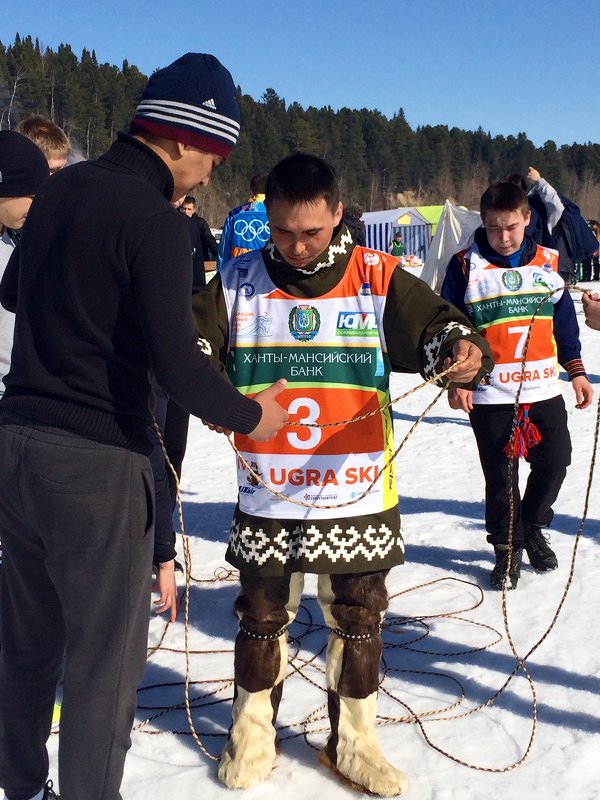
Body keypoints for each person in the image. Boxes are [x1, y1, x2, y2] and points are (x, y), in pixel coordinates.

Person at [0, 53, 288, 800]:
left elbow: (12, 291)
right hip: (94, 465)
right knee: (102, 666)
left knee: (28, 646)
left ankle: (21, 785)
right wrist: (255, 415)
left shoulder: (59, 193)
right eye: (213, 159)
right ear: (187, 141)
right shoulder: (156, 224)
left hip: (16, 444)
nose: (208, 176)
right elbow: (178, 366)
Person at [191, 152, 492, 796]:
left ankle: (354, 743)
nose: (298, 247)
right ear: (265, 218)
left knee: (358, 618)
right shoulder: (238, 280)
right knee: (262, 616)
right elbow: (191, 345)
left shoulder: (376, 276)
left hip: (354, 486)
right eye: (283, 232)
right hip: (269, 489)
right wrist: (215, 392)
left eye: (312, 232)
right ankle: (251, 734)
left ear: (337, 213)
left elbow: (440, 327)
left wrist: (460, 351)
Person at [441, 180, 593, 590]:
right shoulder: (464, 265)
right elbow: (447, 327)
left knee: (555, 462)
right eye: (493, 227)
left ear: (527, 219)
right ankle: (506, 550)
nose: (503, 237)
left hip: (542, 390)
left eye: (511, 226)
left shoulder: (547, 261)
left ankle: (531, 526)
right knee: (501, 478)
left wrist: (576, 370)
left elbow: (563, 323)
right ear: (483, 221)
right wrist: (459, 380)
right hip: (490, 395)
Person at [216, 173, 270, 269]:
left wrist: (221, 276)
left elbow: (224, 251)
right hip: (267, 273)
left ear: (250, 191)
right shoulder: (276, 214)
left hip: (239, 273)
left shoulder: (234, 215)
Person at [179, 194, 218, 290]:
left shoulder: (200, 223)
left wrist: (219, 255)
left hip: (200, 262)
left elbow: (210, 240)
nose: (186, 212)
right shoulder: (177, 221)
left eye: (189, 209)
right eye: (184, 209)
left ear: (194, 210)